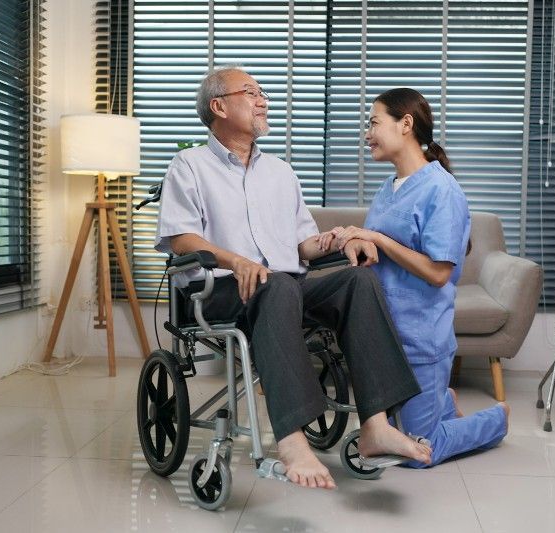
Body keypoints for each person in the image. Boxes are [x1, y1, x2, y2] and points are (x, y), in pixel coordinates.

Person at [154, 67, 431, 489]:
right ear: (219, 106)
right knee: (276, 283)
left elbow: (303, 245)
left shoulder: (280, 171)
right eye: (251, 92)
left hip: (282, 286)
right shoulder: (189, 165)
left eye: (263, 92)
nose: (263, 99)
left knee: (358, 280)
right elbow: (180, 237)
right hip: (218, 290)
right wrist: (237, 260)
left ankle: (375, 425)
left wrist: (340, 241)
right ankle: (291, 439)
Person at [320, 88, 509, 467]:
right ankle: (440, 402)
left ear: (405, 124)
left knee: (416, 453)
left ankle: (496, 419)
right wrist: (352, 237)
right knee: (387, 438)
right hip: (381, 337)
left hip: (419, 338)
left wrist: (377, 238)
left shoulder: (442, 190)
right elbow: (380, 251)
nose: (366, 133)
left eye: (373, 122)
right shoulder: (387, 188)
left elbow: (440, 273)